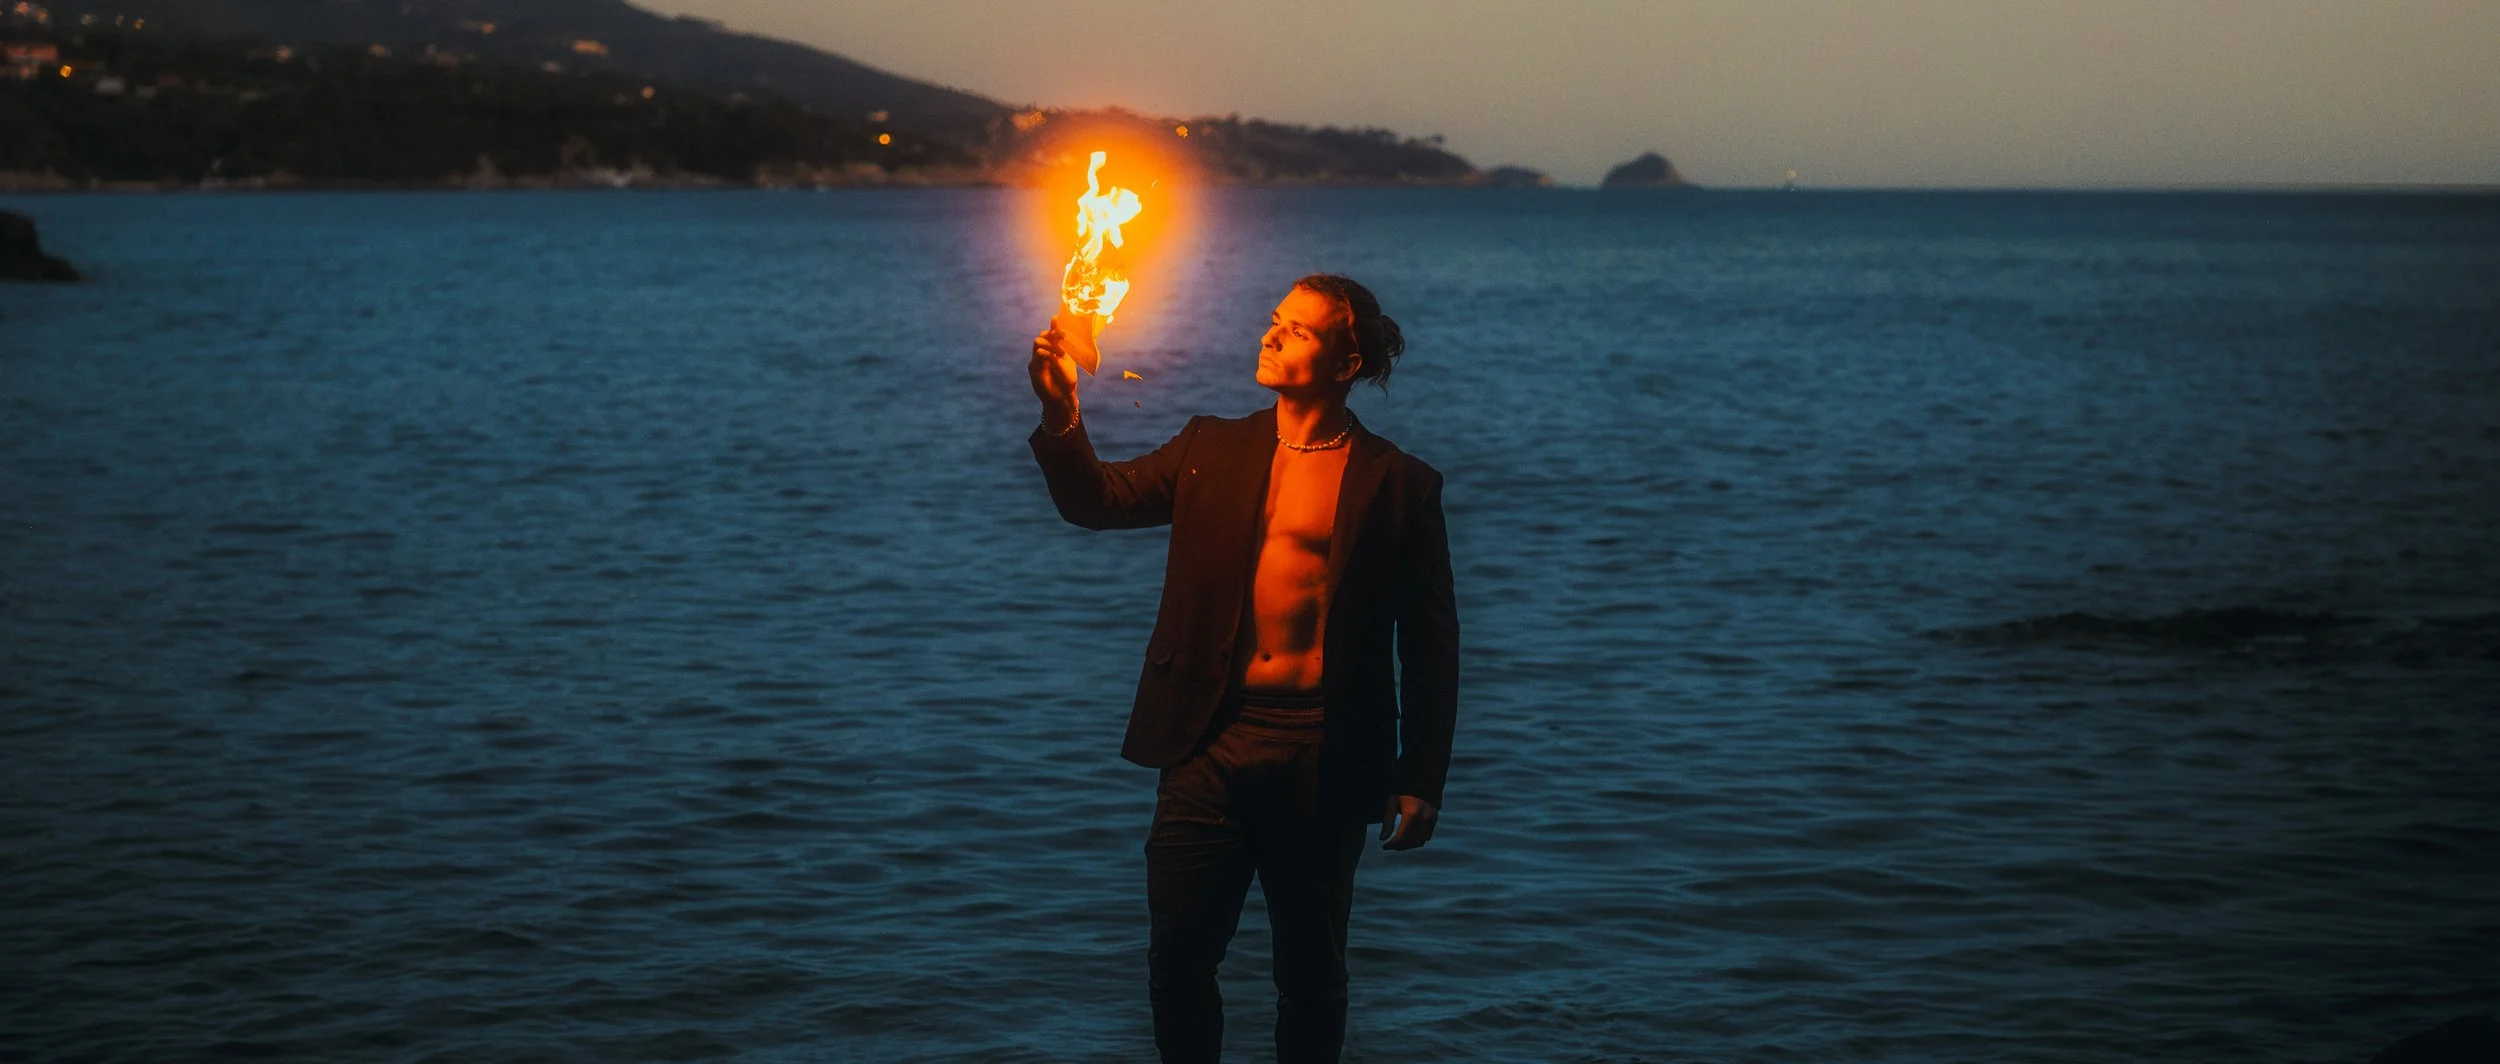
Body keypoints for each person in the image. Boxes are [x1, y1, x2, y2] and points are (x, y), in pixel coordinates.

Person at [1026, 274, 1460, 1063]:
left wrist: (1421, 775)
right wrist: (1062, 417)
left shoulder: (1399, 483)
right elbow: (1097, 502)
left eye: (1298, 330)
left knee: (1312, 980)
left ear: (1345, 361)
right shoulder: (1210, 448)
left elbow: (1430, 643)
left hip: (1321, 754)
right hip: (1206, 746)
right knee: (1178, 965)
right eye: (1274, 320)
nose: (1271, 335)